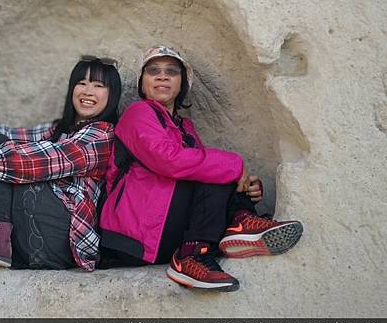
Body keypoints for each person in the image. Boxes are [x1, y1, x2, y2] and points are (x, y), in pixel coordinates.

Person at [98, 45, 303, 291]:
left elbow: (201, 173)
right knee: (214, 167)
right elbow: (169, 161)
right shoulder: (139, 113)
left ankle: (241, 221)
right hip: (132, 238)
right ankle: (194, 253)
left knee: (213, 169)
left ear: (183, 83)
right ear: (143, 83)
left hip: (162, 233)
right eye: (153, 71)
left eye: (171, 71)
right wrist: (234, 167)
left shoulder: (185, 126)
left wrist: (244, 187)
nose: (162, 76)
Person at [0, 56, 121, 271]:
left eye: (98, 85)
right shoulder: (60, 129)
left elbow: (42, 161)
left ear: (111, 95)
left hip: (59, 243)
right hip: (31, 232)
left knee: (6, 160)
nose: (88, 91)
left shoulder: (102, 134)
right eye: (82, 83)